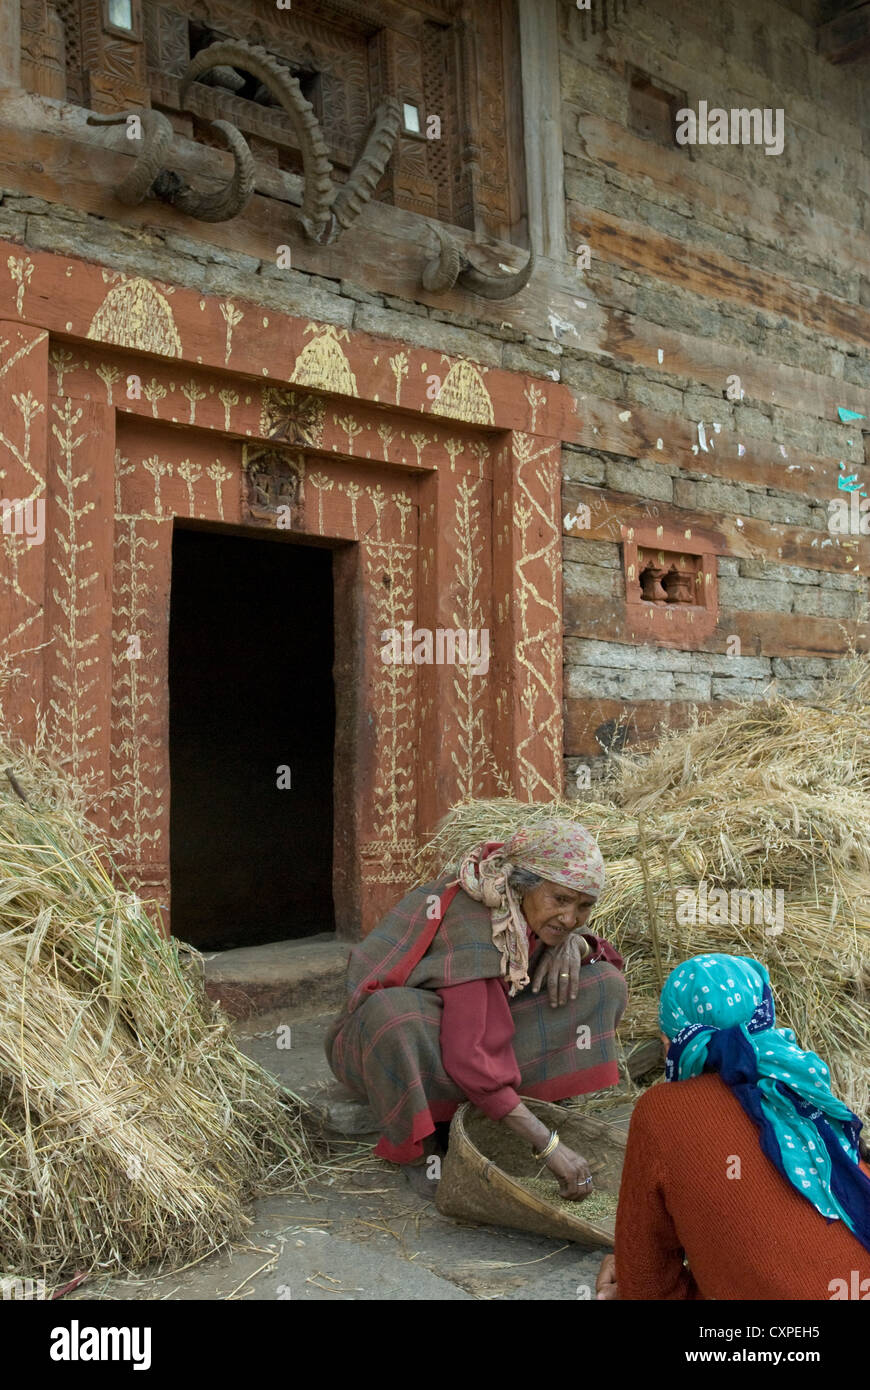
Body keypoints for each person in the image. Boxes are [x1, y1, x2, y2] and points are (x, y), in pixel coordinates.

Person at [325, 821, 627, 1198]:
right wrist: (549, 1146)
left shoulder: (526, 911)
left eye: (584, 907)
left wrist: (578, 944)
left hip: (473, 1028)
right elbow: (469, 1054)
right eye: (560, 900)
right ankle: (427, 1144)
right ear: (522, 885)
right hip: (385, 1047)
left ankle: (511, 1108)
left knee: (603, 984)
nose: (570, 919)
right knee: (395, 1014)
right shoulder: (475, 920)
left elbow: (611, 959)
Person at [596, 953, 870, 1300]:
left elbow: (646, 1286)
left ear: (669, 1043)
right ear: (765, 1019)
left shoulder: (661, 1112)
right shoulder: (803, 1085)